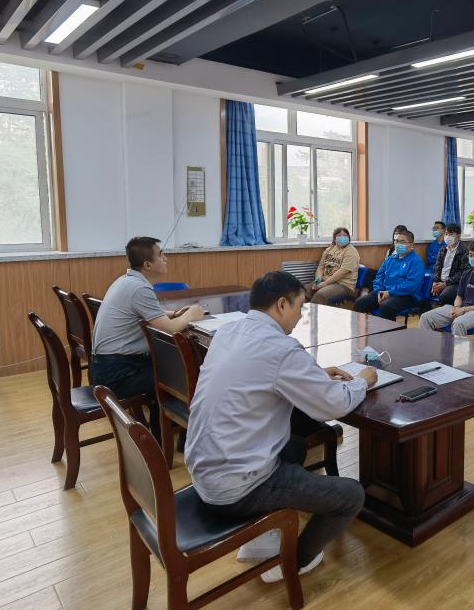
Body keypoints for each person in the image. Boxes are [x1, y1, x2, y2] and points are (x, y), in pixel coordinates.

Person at [186, 271, 375, 582]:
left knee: (295, 444)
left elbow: (260, 375)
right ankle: (294, 561)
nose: (300, 316)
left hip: (205, 471)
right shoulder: (281, 348)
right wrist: (362, 381)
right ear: (282, 304)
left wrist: (313, 375)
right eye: (300, 307)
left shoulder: (227, 332)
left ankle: (261, 536)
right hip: (236, 489)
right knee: (351, 496)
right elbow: (333, 405)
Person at [90, 237, 205, 441]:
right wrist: (191, 314)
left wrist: (174, 313)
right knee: (185, 376)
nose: (165, 258)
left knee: (175, 368)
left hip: (108, 365)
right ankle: (176, 437)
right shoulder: (139, 288)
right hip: (117, 374)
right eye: (160, 255)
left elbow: (149, 314)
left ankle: (169, 433)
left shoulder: (127, 281)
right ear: (148, 265)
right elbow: (171, 329)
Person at [420, 241, 474, 337]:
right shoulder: (467, 274)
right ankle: (428, 346)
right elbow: (459, 296)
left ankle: (458, 347)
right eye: (470, 255)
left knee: (458, 323)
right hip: (461, 308)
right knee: (425, 318)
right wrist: (457, 308)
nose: (472, 258)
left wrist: (464, 309)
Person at [353, 229, 425, 319]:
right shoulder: (390, 259)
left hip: (407, 295)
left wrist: (390, 293)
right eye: (396, 241)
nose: (398, 244)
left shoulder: (416, 262)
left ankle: (389, 329)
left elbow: (411, 285)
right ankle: (362, 328)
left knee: (386, 306)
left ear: (411, 245)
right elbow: (379, 277)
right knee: (359, 303)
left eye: (402, 242)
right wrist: (379, 291)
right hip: (384, 291)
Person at [307, 227, 360, 305]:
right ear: (335, 239)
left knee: (320, 295)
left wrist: (325, 283)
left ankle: (312, 312)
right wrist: (318, 280)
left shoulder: (351, 252)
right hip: (326, 281)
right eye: (339, 235)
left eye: (345, 235)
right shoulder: (329, 250)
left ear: (349, 237)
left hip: (343, 285)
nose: (342, 237)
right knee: (304, 290)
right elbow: (321, 268)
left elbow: (343, 271)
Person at [430, 222, 468, 305]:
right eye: (446, 234)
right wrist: (436, 281)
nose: (448, 236)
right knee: (425, 289)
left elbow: (463, 273)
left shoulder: (464, 251)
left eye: (451, 234)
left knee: (445, 295)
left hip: (455, 283)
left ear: (458, 236)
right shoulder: (443, 250)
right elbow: (437, 267)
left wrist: (445, 284)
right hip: (441, 281)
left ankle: (447, 311)